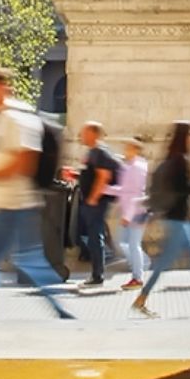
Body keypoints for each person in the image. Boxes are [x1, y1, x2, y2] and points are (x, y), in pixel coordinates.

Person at [0, 67, 73, 321]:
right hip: (1, 204)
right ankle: (61, 311)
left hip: (13, 204)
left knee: (0, 261)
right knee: (25, 260)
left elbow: (23, 163)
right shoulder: (0, 117)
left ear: (3, 86)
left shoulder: (18, 118)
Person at [132, 122, 190, 318]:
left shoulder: (172, 159)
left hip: (175, 218)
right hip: (177, 220)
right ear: (184, 138)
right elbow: (184, 188)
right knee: (186, 261)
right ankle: (142, 298)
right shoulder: (180, 161)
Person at [77, 120, 118, 289]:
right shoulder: (93, 152)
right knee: (90, 235)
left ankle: (98, 274)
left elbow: (104, 176)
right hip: (91, 202)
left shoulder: (100, 152)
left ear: (93, 133)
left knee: (95, 236)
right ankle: (99, 268)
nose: (81, 135)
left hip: (96, 202)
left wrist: (93, 198)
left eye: (85, 132)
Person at [115, 136, 149, 290]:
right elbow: (124, 190)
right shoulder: (130, 166)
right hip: (131, 210)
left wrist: (127, 216)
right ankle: (143, 264)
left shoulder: (137, 167)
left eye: (129, 147)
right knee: (125, 243)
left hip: (136, 211)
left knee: (133, 245)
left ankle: (138, 277)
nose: (125, 149)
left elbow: (135, 193)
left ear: (135, 149)